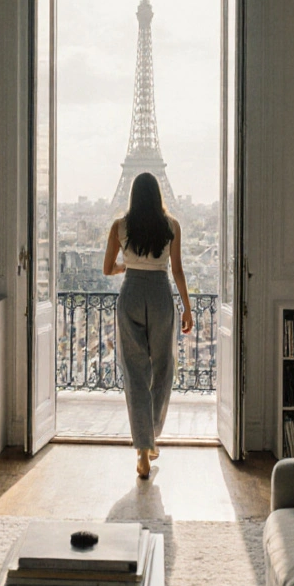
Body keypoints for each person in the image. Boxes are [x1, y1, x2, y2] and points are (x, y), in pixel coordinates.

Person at [103, 172, 193, 479]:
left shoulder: (119, 226)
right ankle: (151, 437)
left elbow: (107, 269)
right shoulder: (172, 226)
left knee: (135, 372)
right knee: (163, 368)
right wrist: (187, 309)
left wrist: (128, 264)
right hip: (159, 292)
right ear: (158, 194)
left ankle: (142, 450)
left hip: (130, 293)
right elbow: (177, 271)